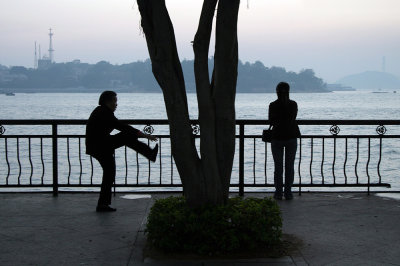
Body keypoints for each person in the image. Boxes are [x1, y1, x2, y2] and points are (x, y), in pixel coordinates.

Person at [86, 91, 158, 212]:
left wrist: (141, 135)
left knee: (109, 173)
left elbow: (121, 126)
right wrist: (145, 135)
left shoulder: (102, 111)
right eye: (114, 101)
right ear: (107, 102)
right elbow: (122, 126)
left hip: (100, 145)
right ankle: (149, 153)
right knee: (126, 136)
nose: (116, 104)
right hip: (101, 146)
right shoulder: (104, 113)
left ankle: (103, 204)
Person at [268, 82, 301, 200]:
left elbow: (270, 121)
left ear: (277, 91)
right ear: (288, 91)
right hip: (291, 136)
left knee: (278, 167)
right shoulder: (293, 104)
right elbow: (293, 118)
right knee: (289, 166)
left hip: (277, 137)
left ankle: (278, 193)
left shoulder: (273, 105)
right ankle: (288, 192)